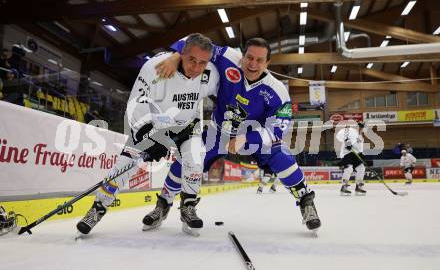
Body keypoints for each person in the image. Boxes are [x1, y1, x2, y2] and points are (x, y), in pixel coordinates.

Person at [152, 37, 321, 233]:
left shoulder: (278, 91)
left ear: (267, 63)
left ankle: (306, 202)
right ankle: (163, 204)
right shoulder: (227, 57)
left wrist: (246, 139)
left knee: (281, 155)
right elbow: (194, 41)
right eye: (249, 57)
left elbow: (277, 128)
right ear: (242, 56)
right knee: (187, 156)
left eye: (259, 60)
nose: (253, 64)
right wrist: (176, 56)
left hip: (254, 138)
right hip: (219, 132)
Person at [75, 33, 219, 237]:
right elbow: (136, 104)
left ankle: (188, 206)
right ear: (181, 53)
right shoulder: (156, 66)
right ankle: (98, 208)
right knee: (123, 166)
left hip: (188, 126)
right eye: (191, 60)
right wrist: (149, 136)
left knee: (195, 158)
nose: (195, 68)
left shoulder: (211, 73)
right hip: (154, 123)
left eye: (202, 63)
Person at [336, 122, 367, 196]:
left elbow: (360, 148)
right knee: (349, 168)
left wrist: (361, 156)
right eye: (360, 127)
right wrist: (347, 141)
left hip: (356, 155)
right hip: (346, 154)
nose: (361, 128)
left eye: (362, 127)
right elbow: (338, 135)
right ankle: (344, 186)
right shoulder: (350, 130)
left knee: (361, 168)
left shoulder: (361, 137)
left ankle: (359, 186)